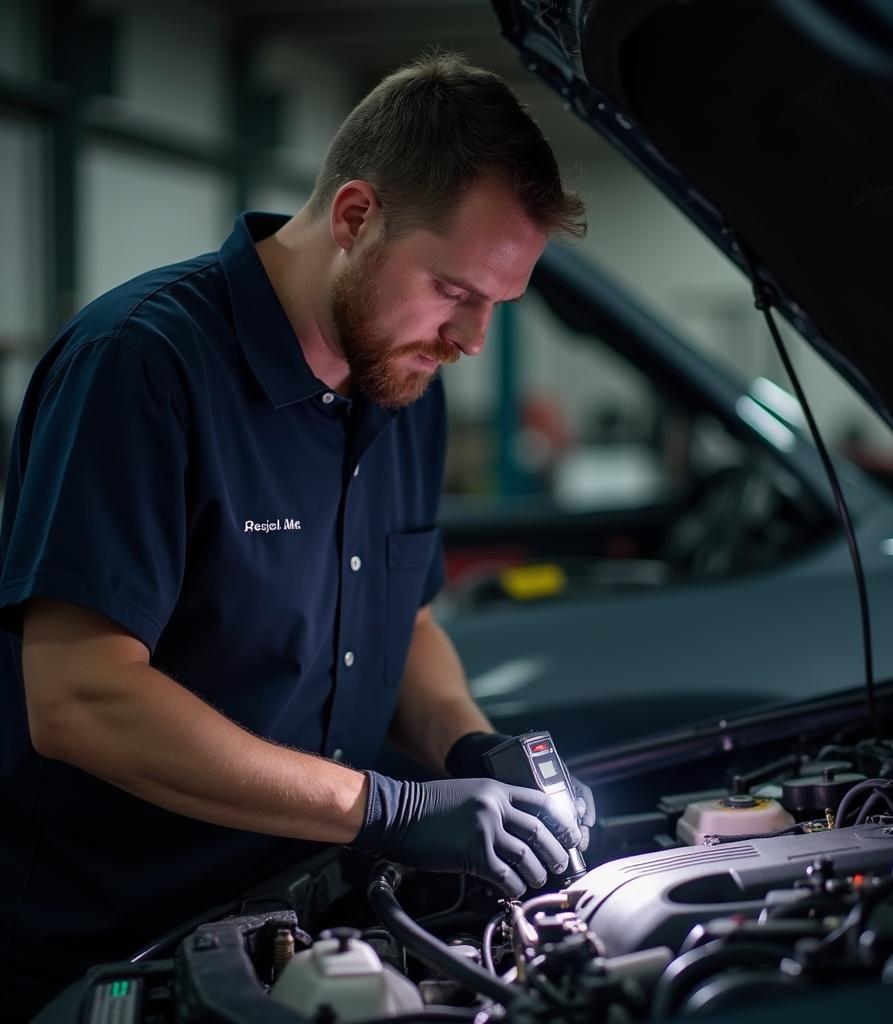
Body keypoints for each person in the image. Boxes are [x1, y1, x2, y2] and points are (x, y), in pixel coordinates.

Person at [0, 53, 594, 1020]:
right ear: (356, 217)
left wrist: (468, 742)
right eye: (454, 290)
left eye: (498, 304)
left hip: (311, 927)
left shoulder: (402, 380)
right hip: (118, 954)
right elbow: (79, 698)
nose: (473, 340)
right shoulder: (141, 364)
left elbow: (404, 619)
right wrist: (388, 808)